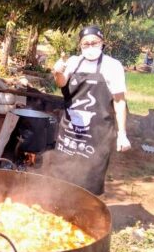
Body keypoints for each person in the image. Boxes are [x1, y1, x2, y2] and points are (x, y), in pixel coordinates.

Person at [45, 25, 131, 195]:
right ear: (80, 45)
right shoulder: (74, 62)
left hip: (97, 135)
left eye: (94, 42)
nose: (90, 46)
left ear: (102, 43)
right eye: (86, 44)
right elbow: (62, 83)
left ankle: (86, 216)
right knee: (62, 173)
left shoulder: (112, 66)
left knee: (90, 179)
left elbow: (119, 101)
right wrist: (57, 72)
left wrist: (122, 133)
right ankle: (58, 210)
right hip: (70, 131)